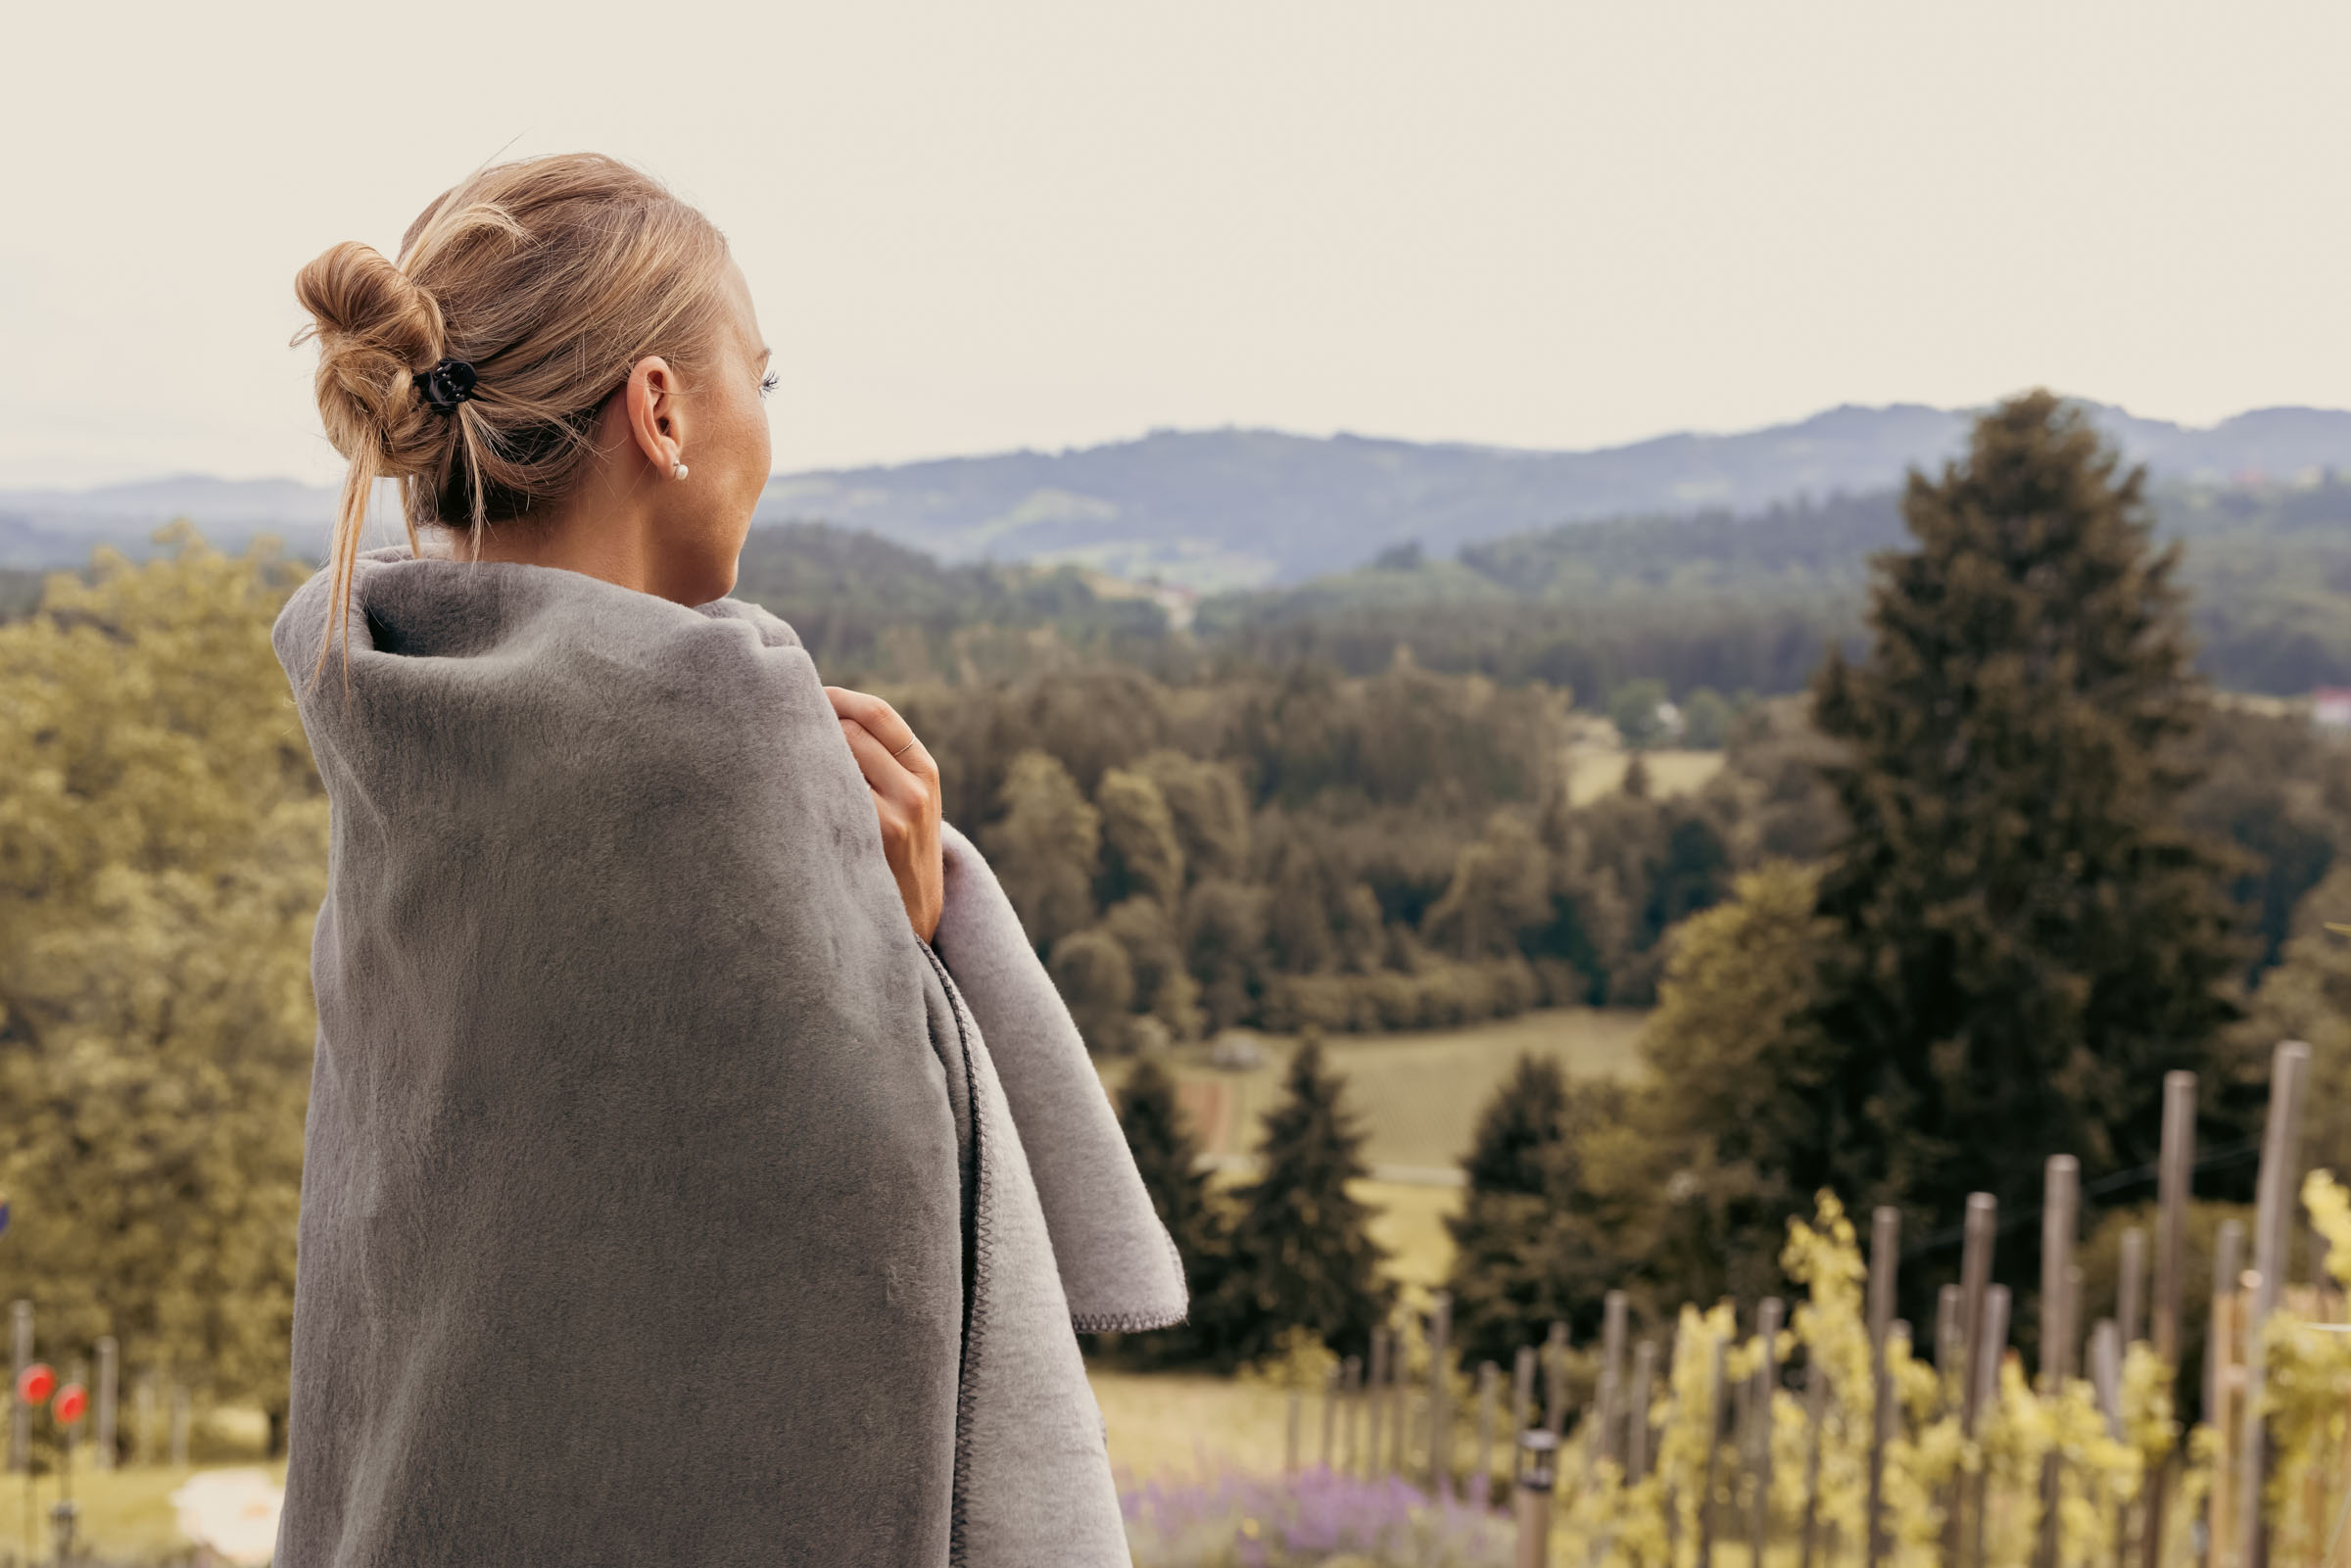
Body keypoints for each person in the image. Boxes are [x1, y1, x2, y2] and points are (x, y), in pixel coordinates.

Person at [272, 153, 1184, 1568]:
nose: (769, 426)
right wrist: (915, 951)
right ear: (661, 408)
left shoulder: (401, 741)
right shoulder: (725, 757)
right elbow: (877, 1258)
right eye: (761, 377)